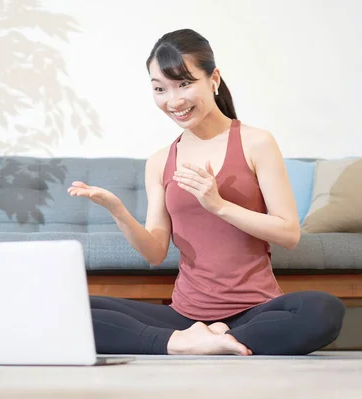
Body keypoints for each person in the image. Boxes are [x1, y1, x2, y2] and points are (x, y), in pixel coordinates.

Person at [67, 28, 345, 356]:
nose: (174, 100)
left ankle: (210, 338)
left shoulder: (256, 143)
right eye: (160, 88)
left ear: (214, 79)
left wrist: (219, 205)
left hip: (255, 312)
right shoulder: (159, 162)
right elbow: (156, 252)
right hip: (185, 317)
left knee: (323, 310)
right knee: (70, 309)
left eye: (184, 83)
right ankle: (183, 343)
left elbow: (288, 233)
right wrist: (117, 209)